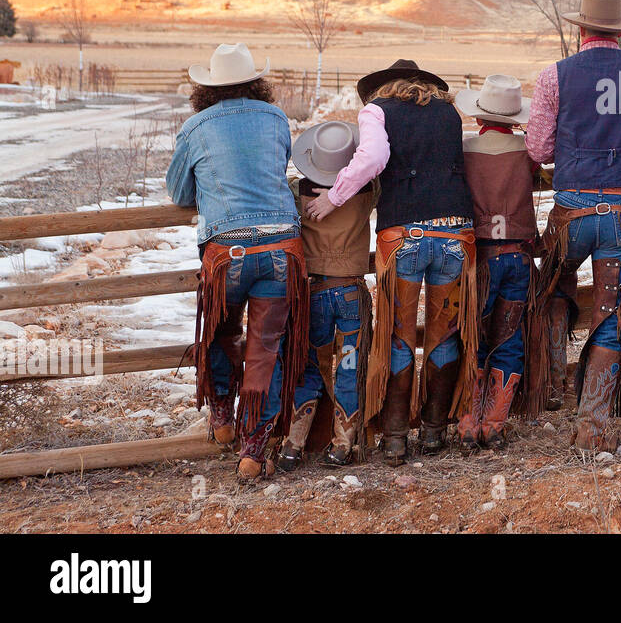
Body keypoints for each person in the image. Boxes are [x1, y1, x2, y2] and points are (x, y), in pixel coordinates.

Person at [306, 59, 477, 466]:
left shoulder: (377, 110)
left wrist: (334, 197)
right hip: (457, 231)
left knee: (399, 335)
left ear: (383, 87)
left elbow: (373, 156)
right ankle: (434, 433)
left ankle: (397, 438)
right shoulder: (448, 112)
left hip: (404, 236)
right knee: (444, 334)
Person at [526, 0, 621, 452]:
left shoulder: (554, 76)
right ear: (620, 31)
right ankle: (593, 427)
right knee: (612, 315)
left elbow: (539, 150)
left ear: (581, 29)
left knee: (549, 287)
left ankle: (548, 388)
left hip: (572, 210)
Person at [166, 43, 308, 480]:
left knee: (220, 332)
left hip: (227, 251)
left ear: (206, 88)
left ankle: (223, 416)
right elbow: (277, 166)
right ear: (255, 82)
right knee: (266, 347)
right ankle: (254, 448)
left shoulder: (196, 126)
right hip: (281, 247)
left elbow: (178, 193)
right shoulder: (275, 118)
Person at [276, 121, 376, 471]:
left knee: (306, 365)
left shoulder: (295, 191)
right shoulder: (366, 192)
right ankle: (342, 445)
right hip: (350, 292)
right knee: (349, 365)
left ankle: (293, 444)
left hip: (313, 293)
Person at [453, 74, 541, 452]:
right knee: (508, 337)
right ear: (514, 119)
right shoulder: (527, 151)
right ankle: (495, 424)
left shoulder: (465, 149)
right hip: (518, 254)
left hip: (481, 257)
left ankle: (469, 422)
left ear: (478, 117)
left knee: (472, 335)